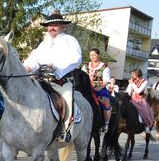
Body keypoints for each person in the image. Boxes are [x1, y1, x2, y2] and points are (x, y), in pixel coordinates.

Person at [24, 11, 82, 143]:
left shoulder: (70, 40)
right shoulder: (44, 43)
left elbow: (76, 59)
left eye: (55, 25)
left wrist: (57, 67)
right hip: (41, 80)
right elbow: (34, 59)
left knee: (67, 101)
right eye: (49, 26)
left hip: (61, 81)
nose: (52, 28)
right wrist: (28, 67)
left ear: (63, 26)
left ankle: (65, 130)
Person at [81, 48, 111, 132]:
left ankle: (106, 123)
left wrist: (99, 87)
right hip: (86, 89)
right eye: (91, 55)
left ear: (98, 55)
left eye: (94, 55)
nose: (92, 57)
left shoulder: (105, 67)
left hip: (99, 90)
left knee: (106, 103)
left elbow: (106, 81)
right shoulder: (85, 66)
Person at [125, 68, 154, 136]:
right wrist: (130, 84)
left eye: (133, 74)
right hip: (131, 99)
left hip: (140, 100)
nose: (132, 75)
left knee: (145, 112)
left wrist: (132, 84)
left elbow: (138, 91)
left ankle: (147, 125)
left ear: (137, 74)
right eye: (132, 74)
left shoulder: (144, 81)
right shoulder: (132, 81)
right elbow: (128, 91)